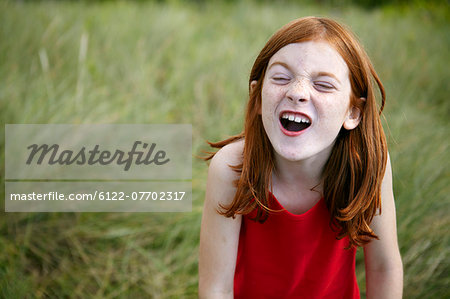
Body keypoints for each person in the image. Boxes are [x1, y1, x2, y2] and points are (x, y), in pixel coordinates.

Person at [199, 16, 403, 298]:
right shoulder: (232, 168)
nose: (297, 93)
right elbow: (215, 288)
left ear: (353, 112)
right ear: (257, 97)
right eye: (281, 78)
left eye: (324, 85)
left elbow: (384, 267)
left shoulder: (369, 165)